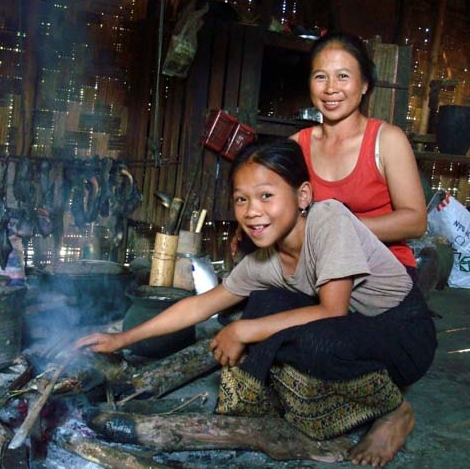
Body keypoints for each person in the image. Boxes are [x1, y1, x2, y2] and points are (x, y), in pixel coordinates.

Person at [75, 139, 436, 467]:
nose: (251, 211)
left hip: (403, 336)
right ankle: (291, 402)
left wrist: (243, 330)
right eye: (241, 199)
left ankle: (395, 411)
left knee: (307, 338)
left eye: (266, 196)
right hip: (357, 332)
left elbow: (332, 311)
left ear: (303, 195)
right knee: (263, 305)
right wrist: (120, 340)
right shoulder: (266, 260)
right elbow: (201, 305)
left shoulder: (331, 222)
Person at [234, 32, 427, 277]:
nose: (331, 88)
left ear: (365, 84)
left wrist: (337, 228)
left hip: (383, 269)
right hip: (317, 268)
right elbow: (272, 203)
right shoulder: (297, 146)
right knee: (259, 307)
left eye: (343, 76)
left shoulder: (387, 141)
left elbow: (416, 222)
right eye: (320, 77)